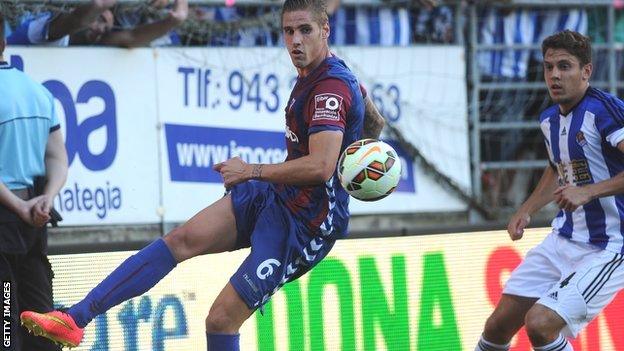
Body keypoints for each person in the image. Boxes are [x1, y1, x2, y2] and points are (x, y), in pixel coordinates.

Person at [20, 0, 385, 350]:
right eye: (288, 31)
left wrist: (253, 171)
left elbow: (320, 167)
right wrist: (359, 158)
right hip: (276, 195)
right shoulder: (331, 72)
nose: (295, 41)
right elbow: (374, 122)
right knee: (180, 239)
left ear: (325, 29)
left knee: (220, 320)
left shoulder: (330, 89)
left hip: (306, 224)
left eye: (305, 30)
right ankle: (75, 319)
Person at [475, 30, 624, 351]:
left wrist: (589, 192)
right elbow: (557, 168)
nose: (554, 75)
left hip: (609, 247)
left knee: (541, 324)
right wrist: (525, 209)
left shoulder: (605, 111)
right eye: (548, 67)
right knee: (497, 326)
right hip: (563, 240)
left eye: (565, 66)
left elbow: (584, 185)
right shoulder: (548, 119)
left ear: (586, 71)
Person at [0, 13, 69, 351]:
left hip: (7, 217)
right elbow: (57, 156)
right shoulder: (37, 92)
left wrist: (18, 205)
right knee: (41, 321)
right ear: (4, 42)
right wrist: (47, 198)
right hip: (33, 222)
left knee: (5, 327)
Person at [7, 0, 188, 48]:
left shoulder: (96, 44)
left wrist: (173, 21)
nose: (100, 28)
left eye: (106, 27)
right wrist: (98, 6)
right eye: (99, 19)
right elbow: (74, 21)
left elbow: (132, 38)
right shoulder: (37, 28)